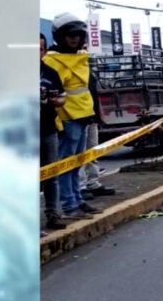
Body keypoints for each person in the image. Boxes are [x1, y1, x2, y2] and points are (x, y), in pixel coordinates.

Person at [43, 13, 102, 219]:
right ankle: (69, 205)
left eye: (78, 35)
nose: (75, 39)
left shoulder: (80, 57)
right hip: (67, 118)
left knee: (77, 162)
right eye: (70, 35)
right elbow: (56, 93)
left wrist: (93, 114)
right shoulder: (52, 61)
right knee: (67, 163)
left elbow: (85, 89)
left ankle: (77, 199)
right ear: (60, 36)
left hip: (84, 114)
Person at [39, 34, 67, 232]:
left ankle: (52, 214)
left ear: (45, 51)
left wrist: (54, 100)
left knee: (51, 175)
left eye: (40, 48)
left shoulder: (50, 73)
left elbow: (62, 98)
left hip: (48, 129)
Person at [79, 65, 117, 200]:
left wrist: (100, 114)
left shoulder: (88, 69)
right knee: (80, 154)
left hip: (92, 116)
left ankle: (93, 183)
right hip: (79, 118)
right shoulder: (71, 67)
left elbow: (95, 94)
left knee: (93, 151)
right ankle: (80, 186)